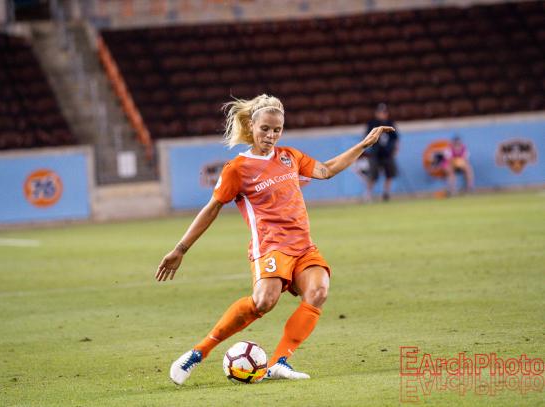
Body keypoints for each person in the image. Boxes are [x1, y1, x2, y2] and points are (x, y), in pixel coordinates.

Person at [156, 94, 394, 385]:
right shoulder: (237, 169)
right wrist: (180, 249)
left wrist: (364, 145)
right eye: (265, 129)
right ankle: (197, 352)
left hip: (303, 246)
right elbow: (212, 209)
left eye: (277, 130)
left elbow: (327, 170)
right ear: (251, 126)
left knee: (318, 291)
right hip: (270, 247)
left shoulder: (289, 157)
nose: (271, 135)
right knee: (264, 302)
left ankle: (279, 362)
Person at [365, 103, 400, 201]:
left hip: (387, 153)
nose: (382, 114)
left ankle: (386, 193)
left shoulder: (390, 123)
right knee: (373, 175)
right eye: (380, 112)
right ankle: (368, 194)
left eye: (384, 112)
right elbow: (366, 138)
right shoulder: (371, 124)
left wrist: (395, 150)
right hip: (375, 154)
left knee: (389, 174)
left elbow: (396, 138)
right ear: (376, 113)